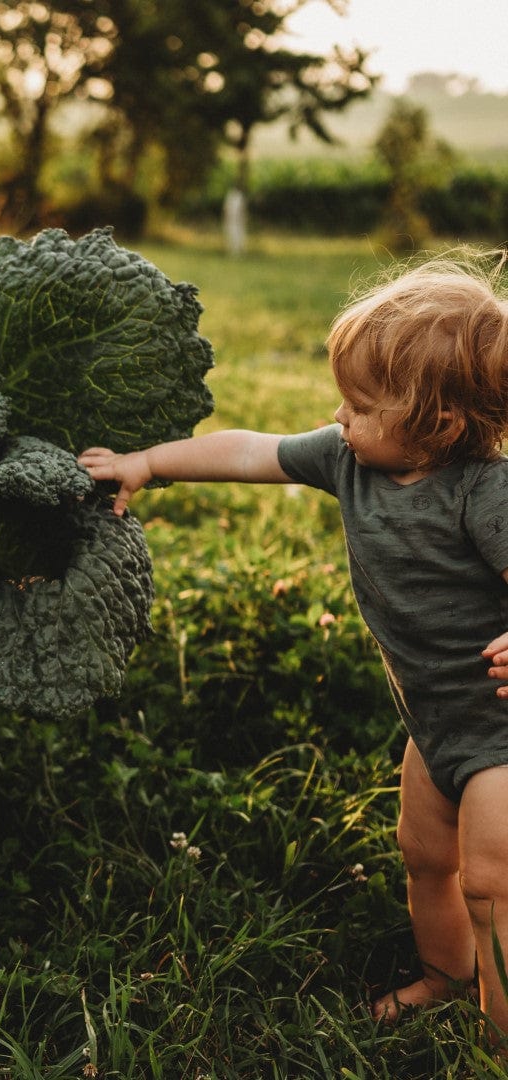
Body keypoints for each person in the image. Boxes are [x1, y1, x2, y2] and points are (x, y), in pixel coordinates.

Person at [78, 255, 508, 1041]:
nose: (339, 416)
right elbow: (249, 452)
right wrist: (150, 465)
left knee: (492, 882)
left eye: (362, 405)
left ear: (438, 426)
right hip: (436, 723)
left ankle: (498, 1031)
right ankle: (446, 980)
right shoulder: (350, 461)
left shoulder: (487, 494)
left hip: (501, 737)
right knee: (425, 857)